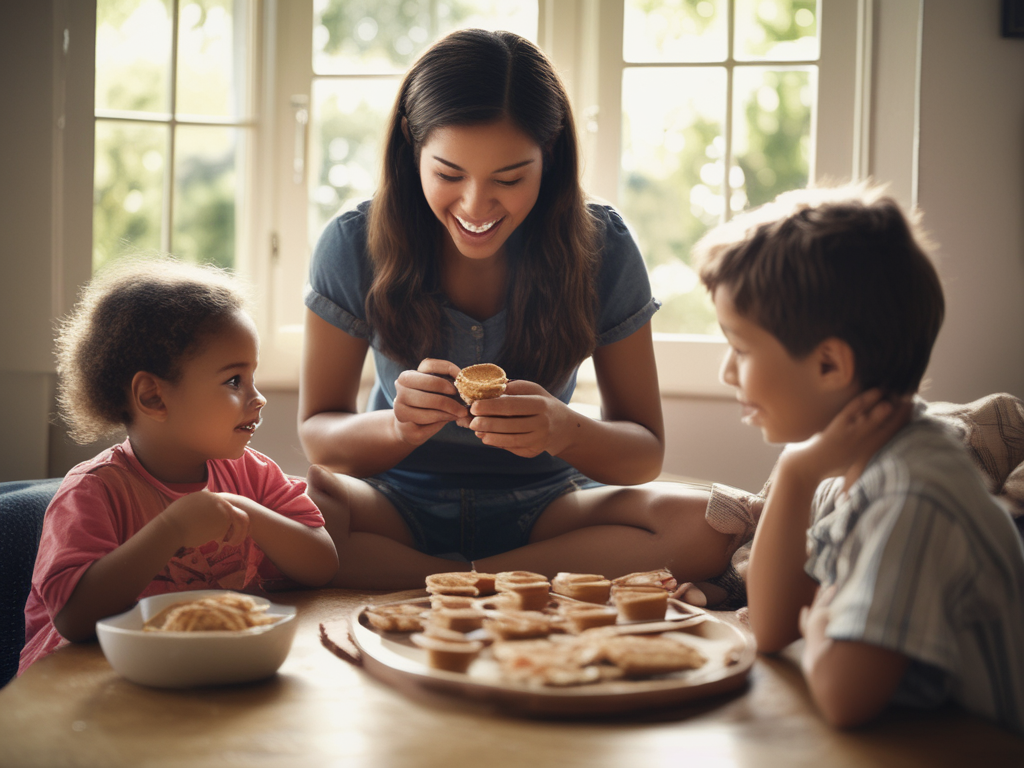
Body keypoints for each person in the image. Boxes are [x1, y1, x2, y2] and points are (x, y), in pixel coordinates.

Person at [299, 28, 762, 595]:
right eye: (448, 174)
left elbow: (643, 452)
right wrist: (397, 426)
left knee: (709, 524)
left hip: (548, 509)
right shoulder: (352, 241)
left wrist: (564, 430)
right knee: (303, 505)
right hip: (394, 500)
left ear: (551, 156)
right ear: (410, 147)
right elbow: (320, 435)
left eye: (510, 178)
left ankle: (452, 582)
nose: (475, 205)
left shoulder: (602, 244)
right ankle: (510, 583)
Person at [695, 182, 1024, 732]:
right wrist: (798, 474)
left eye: (742, 349)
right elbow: (774, 627)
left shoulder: (913, 493)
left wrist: (820, 620)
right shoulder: (844, 469)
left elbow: (845, 697)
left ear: (830, 365)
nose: (727, 373)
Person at [19, 257, 339, 674]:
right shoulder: (92, 492)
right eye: (233, 381)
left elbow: (323, 565)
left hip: (195, 668)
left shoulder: (252, 475)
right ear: (153, 397)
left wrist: (244, 511)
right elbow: (74, 620)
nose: (257, 398)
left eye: (253, 377)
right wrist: (172, 529)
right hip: (84, 682)